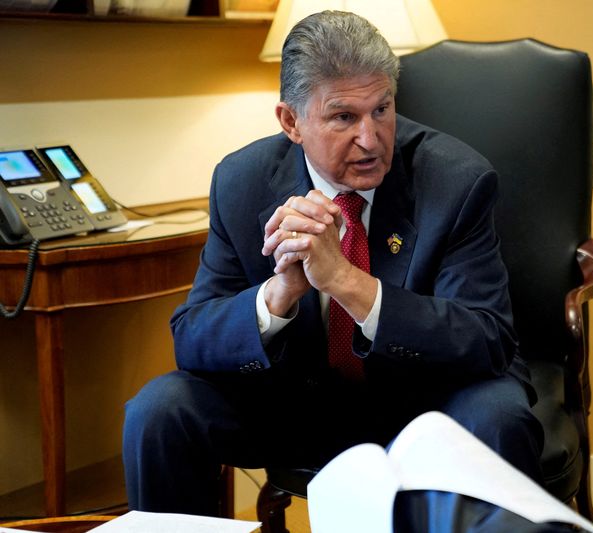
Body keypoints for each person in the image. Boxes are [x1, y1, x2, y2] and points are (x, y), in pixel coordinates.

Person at [122, 10, 544, 515]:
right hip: (292, 403)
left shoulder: (454, 180)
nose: (370, 138)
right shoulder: (242, 180)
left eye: (382, 110)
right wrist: (278, 295)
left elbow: (488, 337)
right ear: (290, 122)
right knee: (159, 410)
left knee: (499, 412)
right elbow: (192, 338)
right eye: (344, 117)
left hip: (422, 404)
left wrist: (345, 281)